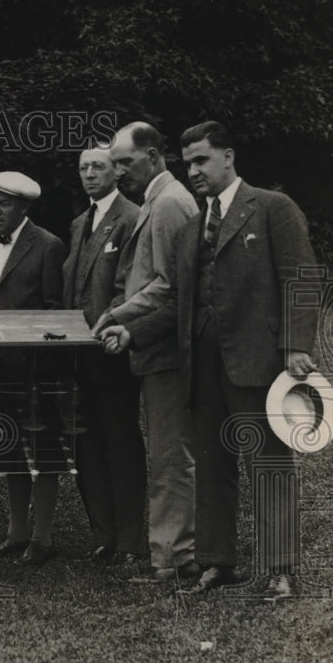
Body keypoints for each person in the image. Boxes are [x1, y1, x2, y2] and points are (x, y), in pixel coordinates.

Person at [102, 121, 319, 598]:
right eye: (188, 164)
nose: (194, 171)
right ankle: (219, 563)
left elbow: (300, 278)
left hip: (258, 363)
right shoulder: (190, 229)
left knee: (268, 464)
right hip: (200, 367)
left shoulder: (271, 208)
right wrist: (131, 330)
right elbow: (178, 301)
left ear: (229, 156)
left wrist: (297, 345)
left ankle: (280, 568)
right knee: (213, 465)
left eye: (202, 160)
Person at [92, 123, 198, 584]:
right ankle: (171, 554)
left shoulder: (171, 202)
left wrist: (121, 315)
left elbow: (173, 285)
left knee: (170, 458)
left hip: (168, 350)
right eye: (113, 164)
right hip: (155, 348)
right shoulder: (159, 200)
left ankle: (172, 560)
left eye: (124, 163)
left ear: (153, 156)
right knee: (166, 454)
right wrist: (120, 312)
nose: (117, 173)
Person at [0, 171, 65, 568]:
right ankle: (16, 533)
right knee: (6, 449)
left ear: (23, 206)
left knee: (43, 451)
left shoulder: (48, 246)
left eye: (3, 204)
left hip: (32, 370)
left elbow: (55, 310)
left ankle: (42, 538)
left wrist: (42, 366)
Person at [62, 147, 147, 566]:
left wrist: (111, 327)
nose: (90, 174)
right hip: (75, 354)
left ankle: (131, 540)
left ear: (116, 169)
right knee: (85, 446)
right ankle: (104, 535)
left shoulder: (132, 217)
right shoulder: (80, 222)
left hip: (110, 351)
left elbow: (128, 286)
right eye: (83, 168)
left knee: (120, 440)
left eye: (98, 166)